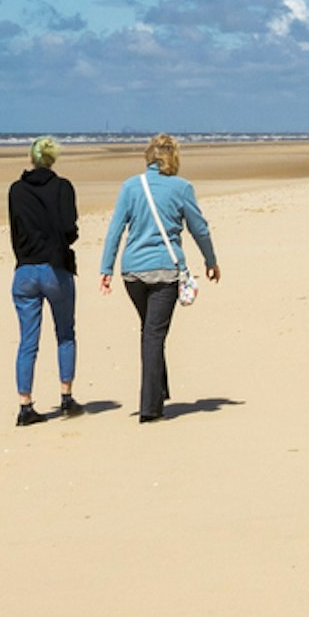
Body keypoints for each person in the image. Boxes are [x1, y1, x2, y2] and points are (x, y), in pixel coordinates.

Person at [92, 133, 219, 422]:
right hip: (164, 272)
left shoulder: (130, 186)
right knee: (154, 334)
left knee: (150, 331)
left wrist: (106, 269)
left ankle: (158, 391)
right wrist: (211, 261)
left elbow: (115, 229)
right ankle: (150, 408)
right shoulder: (182, 187)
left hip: (132, 272)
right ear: (174, 158)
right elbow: (200, 228)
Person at [6, 136, 80, 426]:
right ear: (53, 158)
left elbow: (15, 229)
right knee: (65, 333)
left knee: (27, 341)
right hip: (54, 267)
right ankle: (66, 397)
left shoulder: (16, 190)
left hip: (24, 269)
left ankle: (25, 405)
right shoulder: (63, 187)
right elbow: (69, 228)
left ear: (31, 157)